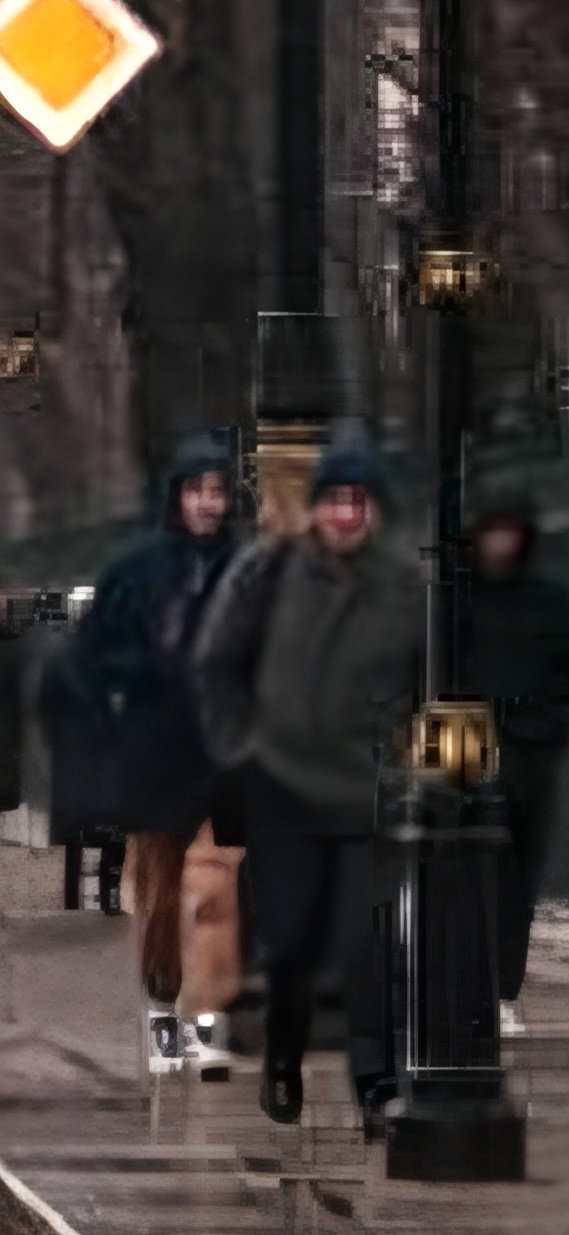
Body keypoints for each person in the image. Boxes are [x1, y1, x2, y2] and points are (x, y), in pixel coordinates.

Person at [195, 436, 425, 1126]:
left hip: (364, 788)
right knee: (291, 941)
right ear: (314, 510)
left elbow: (426, 679)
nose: (346, 515)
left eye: (359, 502)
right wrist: (240, 747)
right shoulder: (267, 572)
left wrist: (402, 750)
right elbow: (218, 661)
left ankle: (375, 1084)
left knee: (367, 942)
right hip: (283, 787)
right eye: (333, 501)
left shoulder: (404, 589)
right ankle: (284, 1060)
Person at [45, 434, 240, 1000]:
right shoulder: (137, 570)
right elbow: (95, 655)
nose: (208, 502)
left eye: (217, 491)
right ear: (176, 496)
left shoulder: (241, 566)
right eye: (197, 490)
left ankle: (210, 999)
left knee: (218, 878)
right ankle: (166, 997)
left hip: (225, 747)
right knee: (161, 876)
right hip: (159, 748)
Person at [459, 496, 569, 1013]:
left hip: (528, 759)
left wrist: (545, 731)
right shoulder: (457, 601)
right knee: (473, 874)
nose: (501, 543)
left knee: (518, 877)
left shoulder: (547, 603)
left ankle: (500, 985)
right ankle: (477, 982)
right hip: (471, 757)